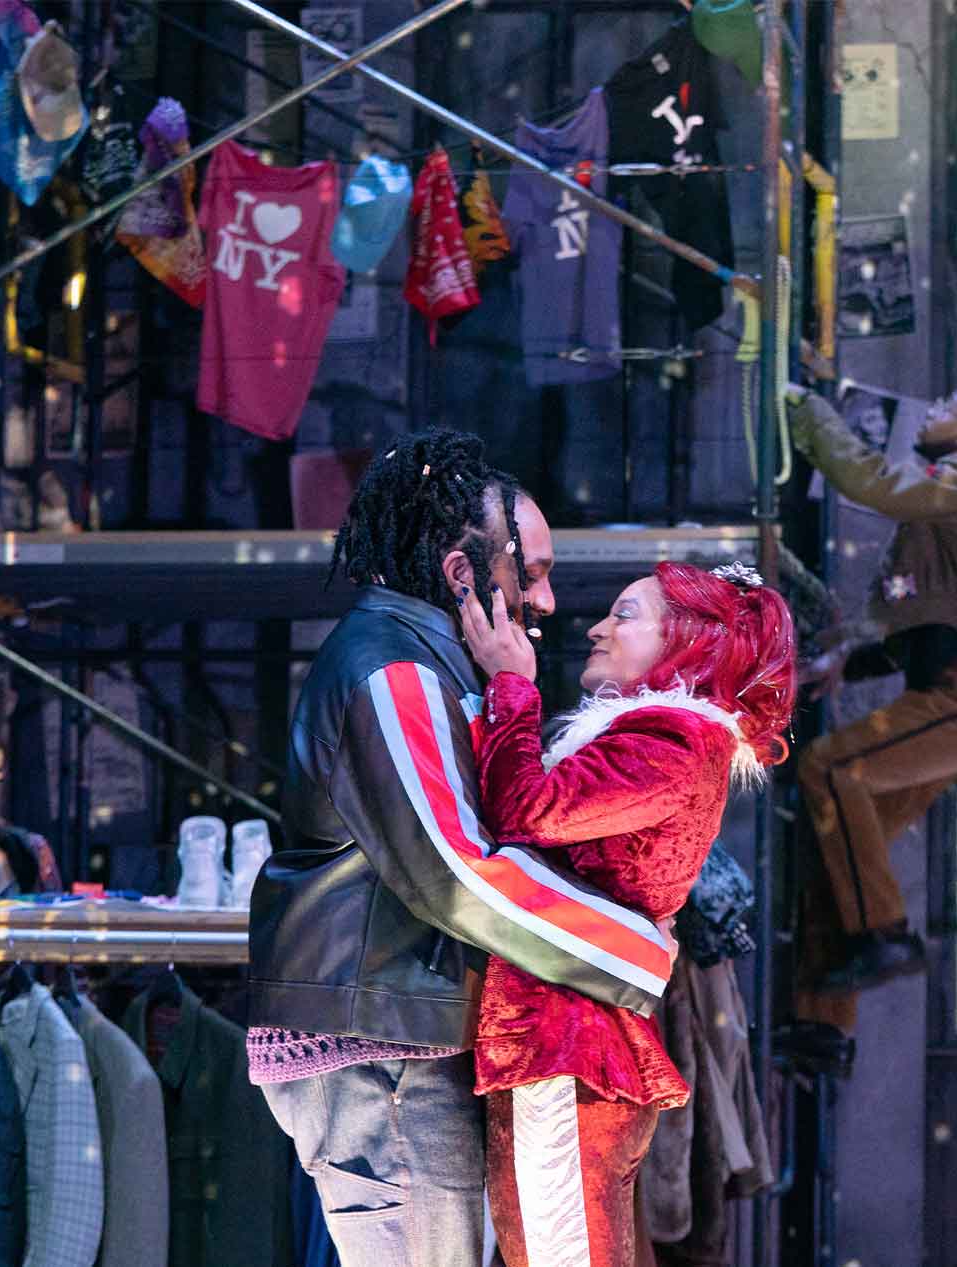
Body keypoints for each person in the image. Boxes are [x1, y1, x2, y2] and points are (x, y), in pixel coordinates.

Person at [247, 430, 676, 1267]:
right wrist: (631, 951)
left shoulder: (418, 664)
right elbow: (456, 873)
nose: (547, 600)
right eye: (533, 572)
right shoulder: (394, 671)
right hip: (382, 1047)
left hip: (390, 1033)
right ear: (459, 573)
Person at [456, 559, 796, 1267]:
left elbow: (526, 810)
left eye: (626, 614)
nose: (598, 627)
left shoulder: (673, 741)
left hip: (565, 1044)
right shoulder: (667, 739)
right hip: (567, 1045)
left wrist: (512, 683)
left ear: (688, 642)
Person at [783, 375, 957, 1017]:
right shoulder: (944, 510)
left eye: (948, 404)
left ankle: (889, 936)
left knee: (830, 769)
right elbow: (915, 619)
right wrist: (845, 659)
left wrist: (809, 412)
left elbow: (873, 485)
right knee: (838, 839)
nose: (931, 409)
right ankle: (821, 1031)